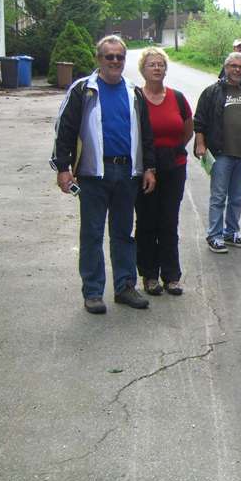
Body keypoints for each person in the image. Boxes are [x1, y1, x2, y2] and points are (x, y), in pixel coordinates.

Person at [51, 35, 156, 314]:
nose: (115, 61)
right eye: (109, 56)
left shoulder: (134, 92)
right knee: (92, 234)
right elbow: (65, 130)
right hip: (92, 174)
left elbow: (146, 134)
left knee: (123, 233)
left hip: (127, 173)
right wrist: (63, 168)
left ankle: (125, 287)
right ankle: (93, 292)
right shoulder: (82, 89)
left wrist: (149, 168)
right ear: (99, 59)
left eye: (119, 56)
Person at [193, 52, 241, 253]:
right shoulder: (212, 92)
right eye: (233, 66)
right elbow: (199, 120)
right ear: (225, 68)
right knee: (218, 197)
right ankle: (214, 235)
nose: (237, 70)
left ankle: (231, 232)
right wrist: (200, 144)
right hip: (220, 154)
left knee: (237, 198)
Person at [135, 47, 193, 296]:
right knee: (147, 221)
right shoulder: (136, 98)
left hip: (174, 167)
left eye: (161, 64)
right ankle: (149, 275)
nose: (157, 68)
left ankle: (171, 276)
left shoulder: (177, 98)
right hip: (144, 169)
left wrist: (173, 150)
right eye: (152, 64)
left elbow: (187, 129)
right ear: (143, 70)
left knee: (169, 221)